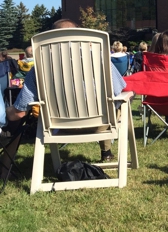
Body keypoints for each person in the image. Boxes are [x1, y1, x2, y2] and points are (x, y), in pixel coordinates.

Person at [1, 19, 127, 179]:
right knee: (122, 102)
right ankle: (106, 151)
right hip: (101, 125)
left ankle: (4, 170)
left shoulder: (39, 67)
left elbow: (18, 114)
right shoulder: (101, 60)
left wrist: (7, 111)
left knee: (16, 116)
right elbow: (118, 92)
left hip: (57, 126)